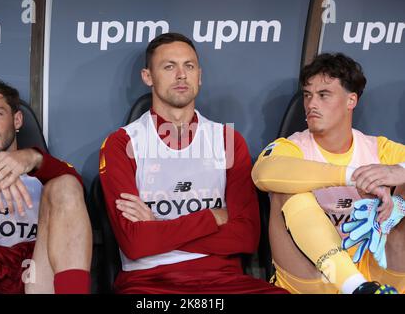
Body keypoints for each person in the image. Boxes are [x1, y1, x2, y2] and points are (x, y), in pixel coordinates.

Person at [99, 32, 287, 294]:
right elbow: (135, 243)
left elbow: (245, 236)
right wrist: (212, 216)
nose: (181, 75)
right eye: (169, 66)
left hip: (224, 282)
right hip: (150, 285)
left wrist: (157, 229)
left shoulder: (227, 140)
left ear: (199, 75)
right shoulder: (122, 143)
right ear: (147, 77)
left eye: (189, 66)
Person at [252, 53, 405, 294]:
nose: (312, 104)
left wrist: (399, 173)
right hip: (312, 278)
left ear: (351, 100)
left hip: (376, 273)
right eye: (307, 95)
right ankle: (356, 287)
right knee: (287, 190)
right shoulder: (292, 147)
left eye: (323, 95)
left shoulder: (378, 148)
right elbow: (262, 173)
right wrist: (354, 176)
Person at [0, 80, 92, 294]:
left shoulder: (44, 169)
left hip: (35, 277)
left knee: (66, 184)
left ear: (17, 120)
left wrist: (36, 159)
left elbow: (77, 186)